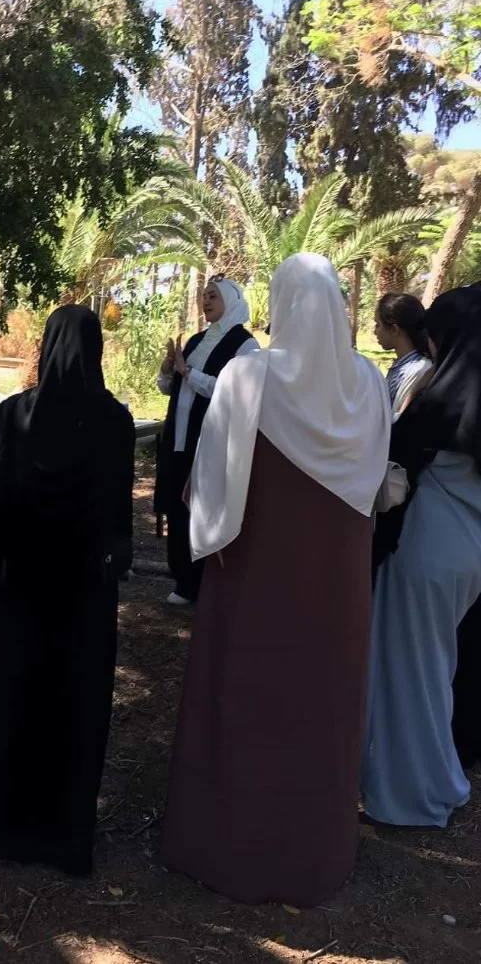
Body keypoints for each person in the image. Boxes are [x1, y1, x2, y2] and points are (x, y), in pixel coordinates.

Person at [161, 253, 390, 906]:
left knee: (248, 687)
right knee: (320, 700)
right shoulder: (369, 383)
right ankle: (313, 852)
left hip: (256, 567)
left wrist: (207, 533)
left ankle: (228, 846)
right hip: (336, 578)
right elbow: (375, 476)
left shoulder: (251, 375)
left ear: (284, 303)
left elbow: (210, 480)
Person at [0, 305, 134, 875]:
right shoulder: (113, 422)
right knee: (75, 704)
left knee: (16, 698)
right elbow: (117, 512)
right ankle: (64, 836)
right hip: (84, 591)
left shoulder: (14, 413)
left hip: (27, 585)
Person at [364, 285, 481, 827]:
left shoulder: (439, 407)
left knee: (409, 673)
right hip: (467, 553)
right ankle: (441, 779)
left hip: (423, 552)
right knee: (437, 666)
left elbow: (387, 462)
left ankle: (409, 795)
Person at [155, 277, 257, 607]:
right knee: (177, 507)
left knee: (203, 508)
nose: (206, 301)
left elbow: (232, 392)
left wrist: (188, 372)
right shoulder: (197, 341)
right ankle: (183, 578)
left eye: (213, 296)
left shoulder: (246, 345)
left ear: (231, 299)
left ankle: (205, 582)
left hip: (211, 443)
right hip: (179, 440)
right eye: (203, 296)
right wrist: (168, 369)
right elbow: (168, 389)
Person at [374, 292, 432, 416]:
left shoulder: (419, 370)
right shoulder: (401, 366)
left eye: (378, 325)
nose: (375, 332)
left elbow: (399, 418)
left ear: (394, 330)